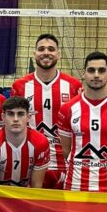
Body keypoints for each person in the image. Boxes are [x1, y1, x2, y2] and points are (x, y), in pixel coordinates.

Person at [57, 51, 107, 193]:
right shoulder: (67, 109)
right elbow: (66, 150)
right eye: (91, 70)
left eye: (101, 70)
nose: (96, 75)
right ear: (84, 73)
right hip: (76, 185)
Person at [11, 33, 81, 188]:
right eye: (41, 49)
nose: (46, 52)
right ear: (34, 53)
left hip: (65, 163)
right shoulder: (19, 86)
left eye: (51, 49)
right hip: (30, 161)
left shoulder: (74, 85)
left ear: (58, 54)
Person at [0, 96, 51, 187]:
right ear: (3, 117)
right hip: (0, 193)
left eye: (20, 114)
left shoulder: (40, 143)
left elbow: (36, 186)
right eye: (11, 114)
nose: (16, 119)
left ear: (28, 117)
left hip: (27, 191)